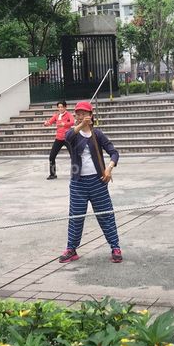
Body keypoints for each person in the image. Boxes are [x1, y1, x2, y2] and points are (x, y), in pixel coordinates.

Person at [59, 100, 122, 264]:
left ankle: (115, 247)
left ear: (91, 115)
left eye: (84, 113)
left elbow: (114, 153)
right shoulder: (73, 134)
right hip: (78, 183)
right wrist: (79, 125)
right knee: (76, 217)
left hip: (98, 182)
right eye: (78, 114)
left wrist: (109, 168)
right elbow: (67, 137)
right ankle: (71, 249)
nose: (80, 116)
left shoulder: (98, 134)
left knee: (106, 215)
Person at [44, 100, 75, 180]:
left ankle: (75, 174)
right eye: (59, 107)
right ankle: (53, 174)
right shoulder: (57, 115)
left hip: (67, 138)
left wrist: (64, 124)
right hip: (59, 138)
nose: (60, 108)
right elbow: (50, 122)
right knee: (52, 156)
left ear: (65, 107)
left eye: (62, 107)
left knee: (73, 156)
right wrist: (46, 123)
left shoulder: (68, 115)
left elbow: (72, 122)